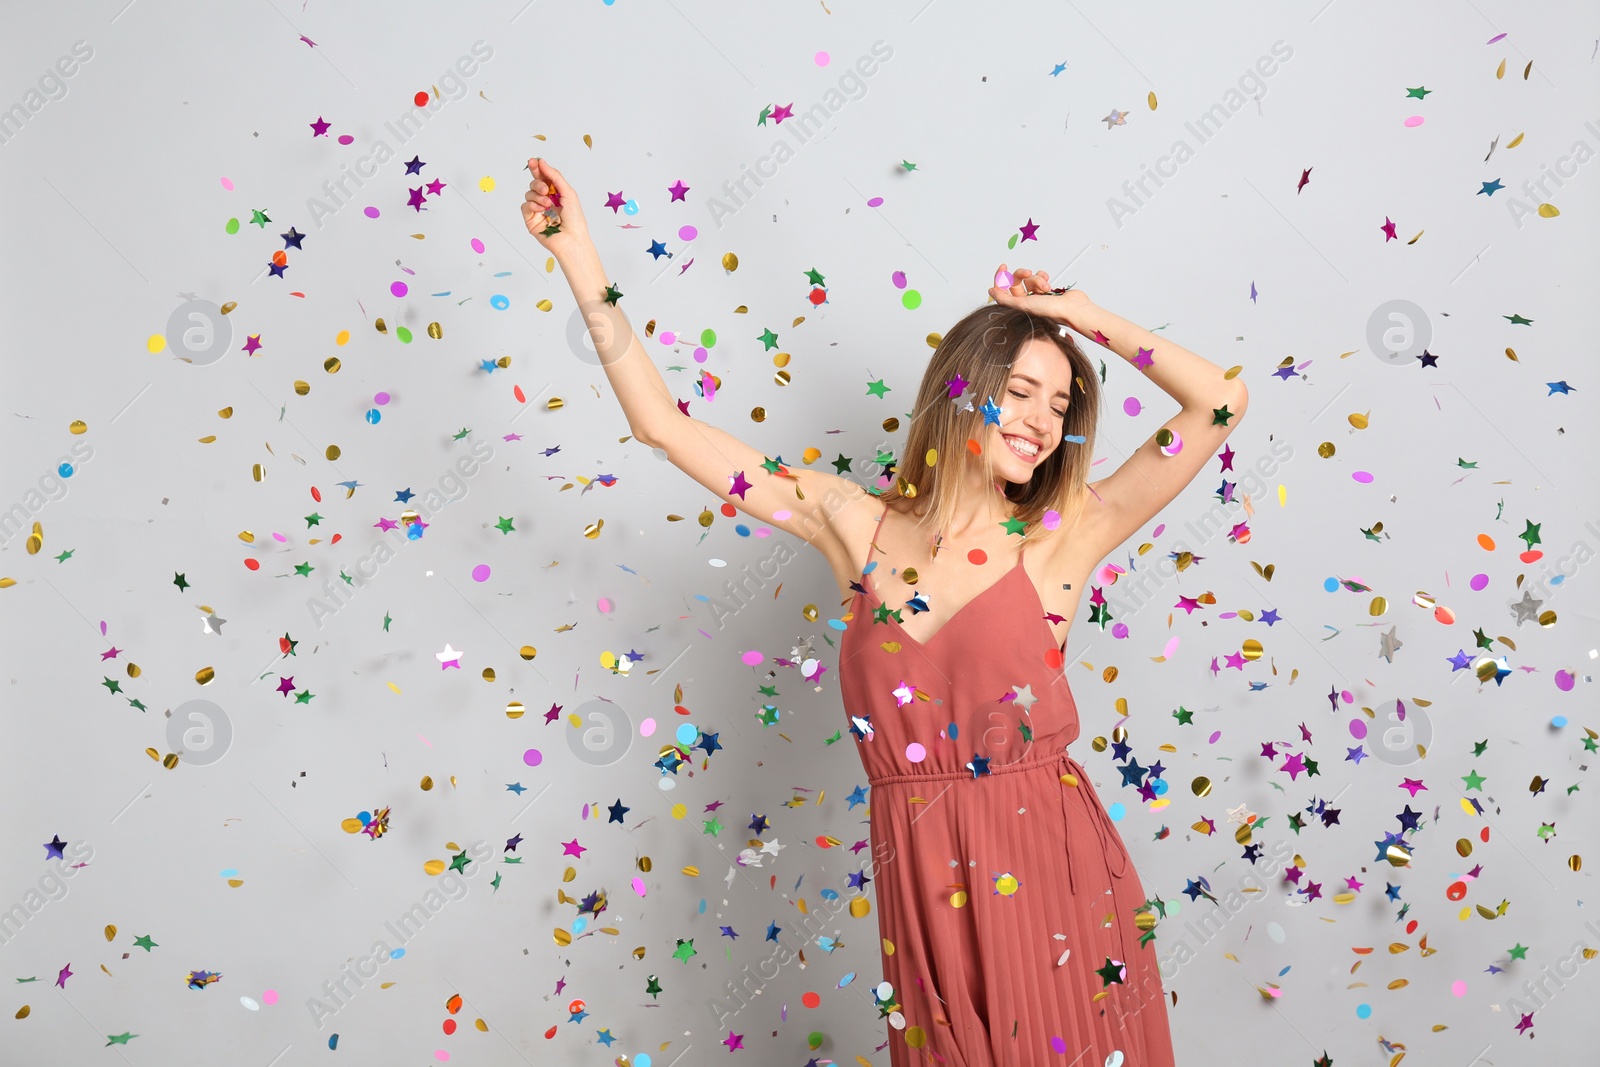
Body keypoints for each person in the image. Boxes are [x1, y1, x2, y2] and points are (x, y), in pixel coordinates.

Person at [523, 158, 1247, 1066]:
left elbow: (1220, 399)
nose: (1037, 419)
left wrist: (1080, 317)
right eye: (1018, 390)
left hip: (1057, 880)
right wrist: (579, 258)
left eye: (1058, 405)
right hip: (927, 892)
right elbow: (664, 427)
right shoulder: (850, 524)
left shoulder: (1066, 536)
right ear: (960, 388)